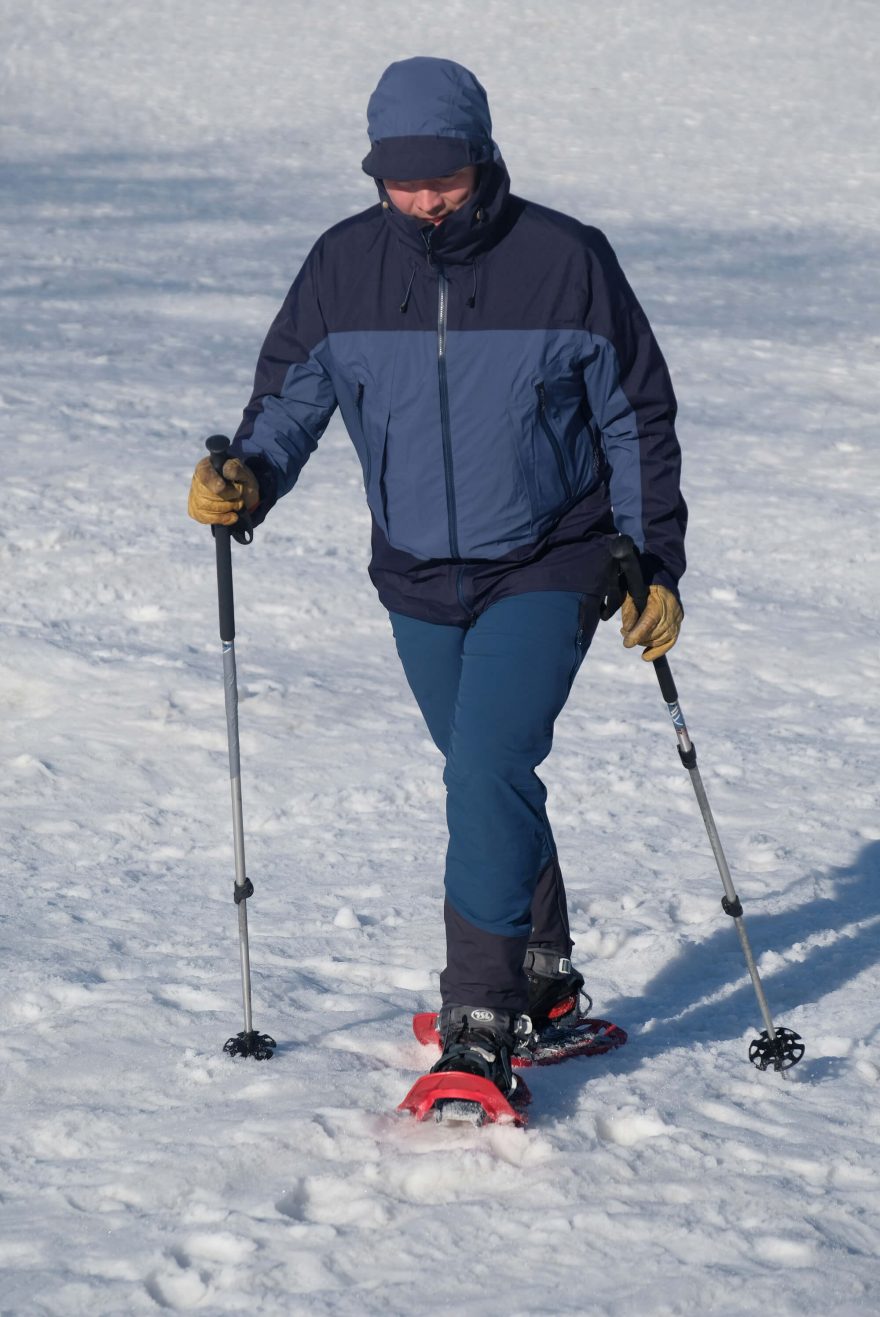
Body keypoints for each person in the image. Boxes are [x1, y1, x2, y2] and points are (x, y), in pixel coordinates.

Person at [189, 56, 686, 1113]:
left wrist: (650, 555)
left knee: (485, 769)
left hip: (549, 557)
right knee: (482, 775)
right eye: (402, 181)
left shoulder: (564, 259)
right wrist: (247, 475)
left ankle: (481, 1016)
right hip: (415, 570)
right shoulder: (342, 265)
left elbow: (634, 416)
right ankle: (544, 980)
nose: (424, 199)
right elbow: (290, 403)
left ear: (483, 158)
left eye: (444, 178)